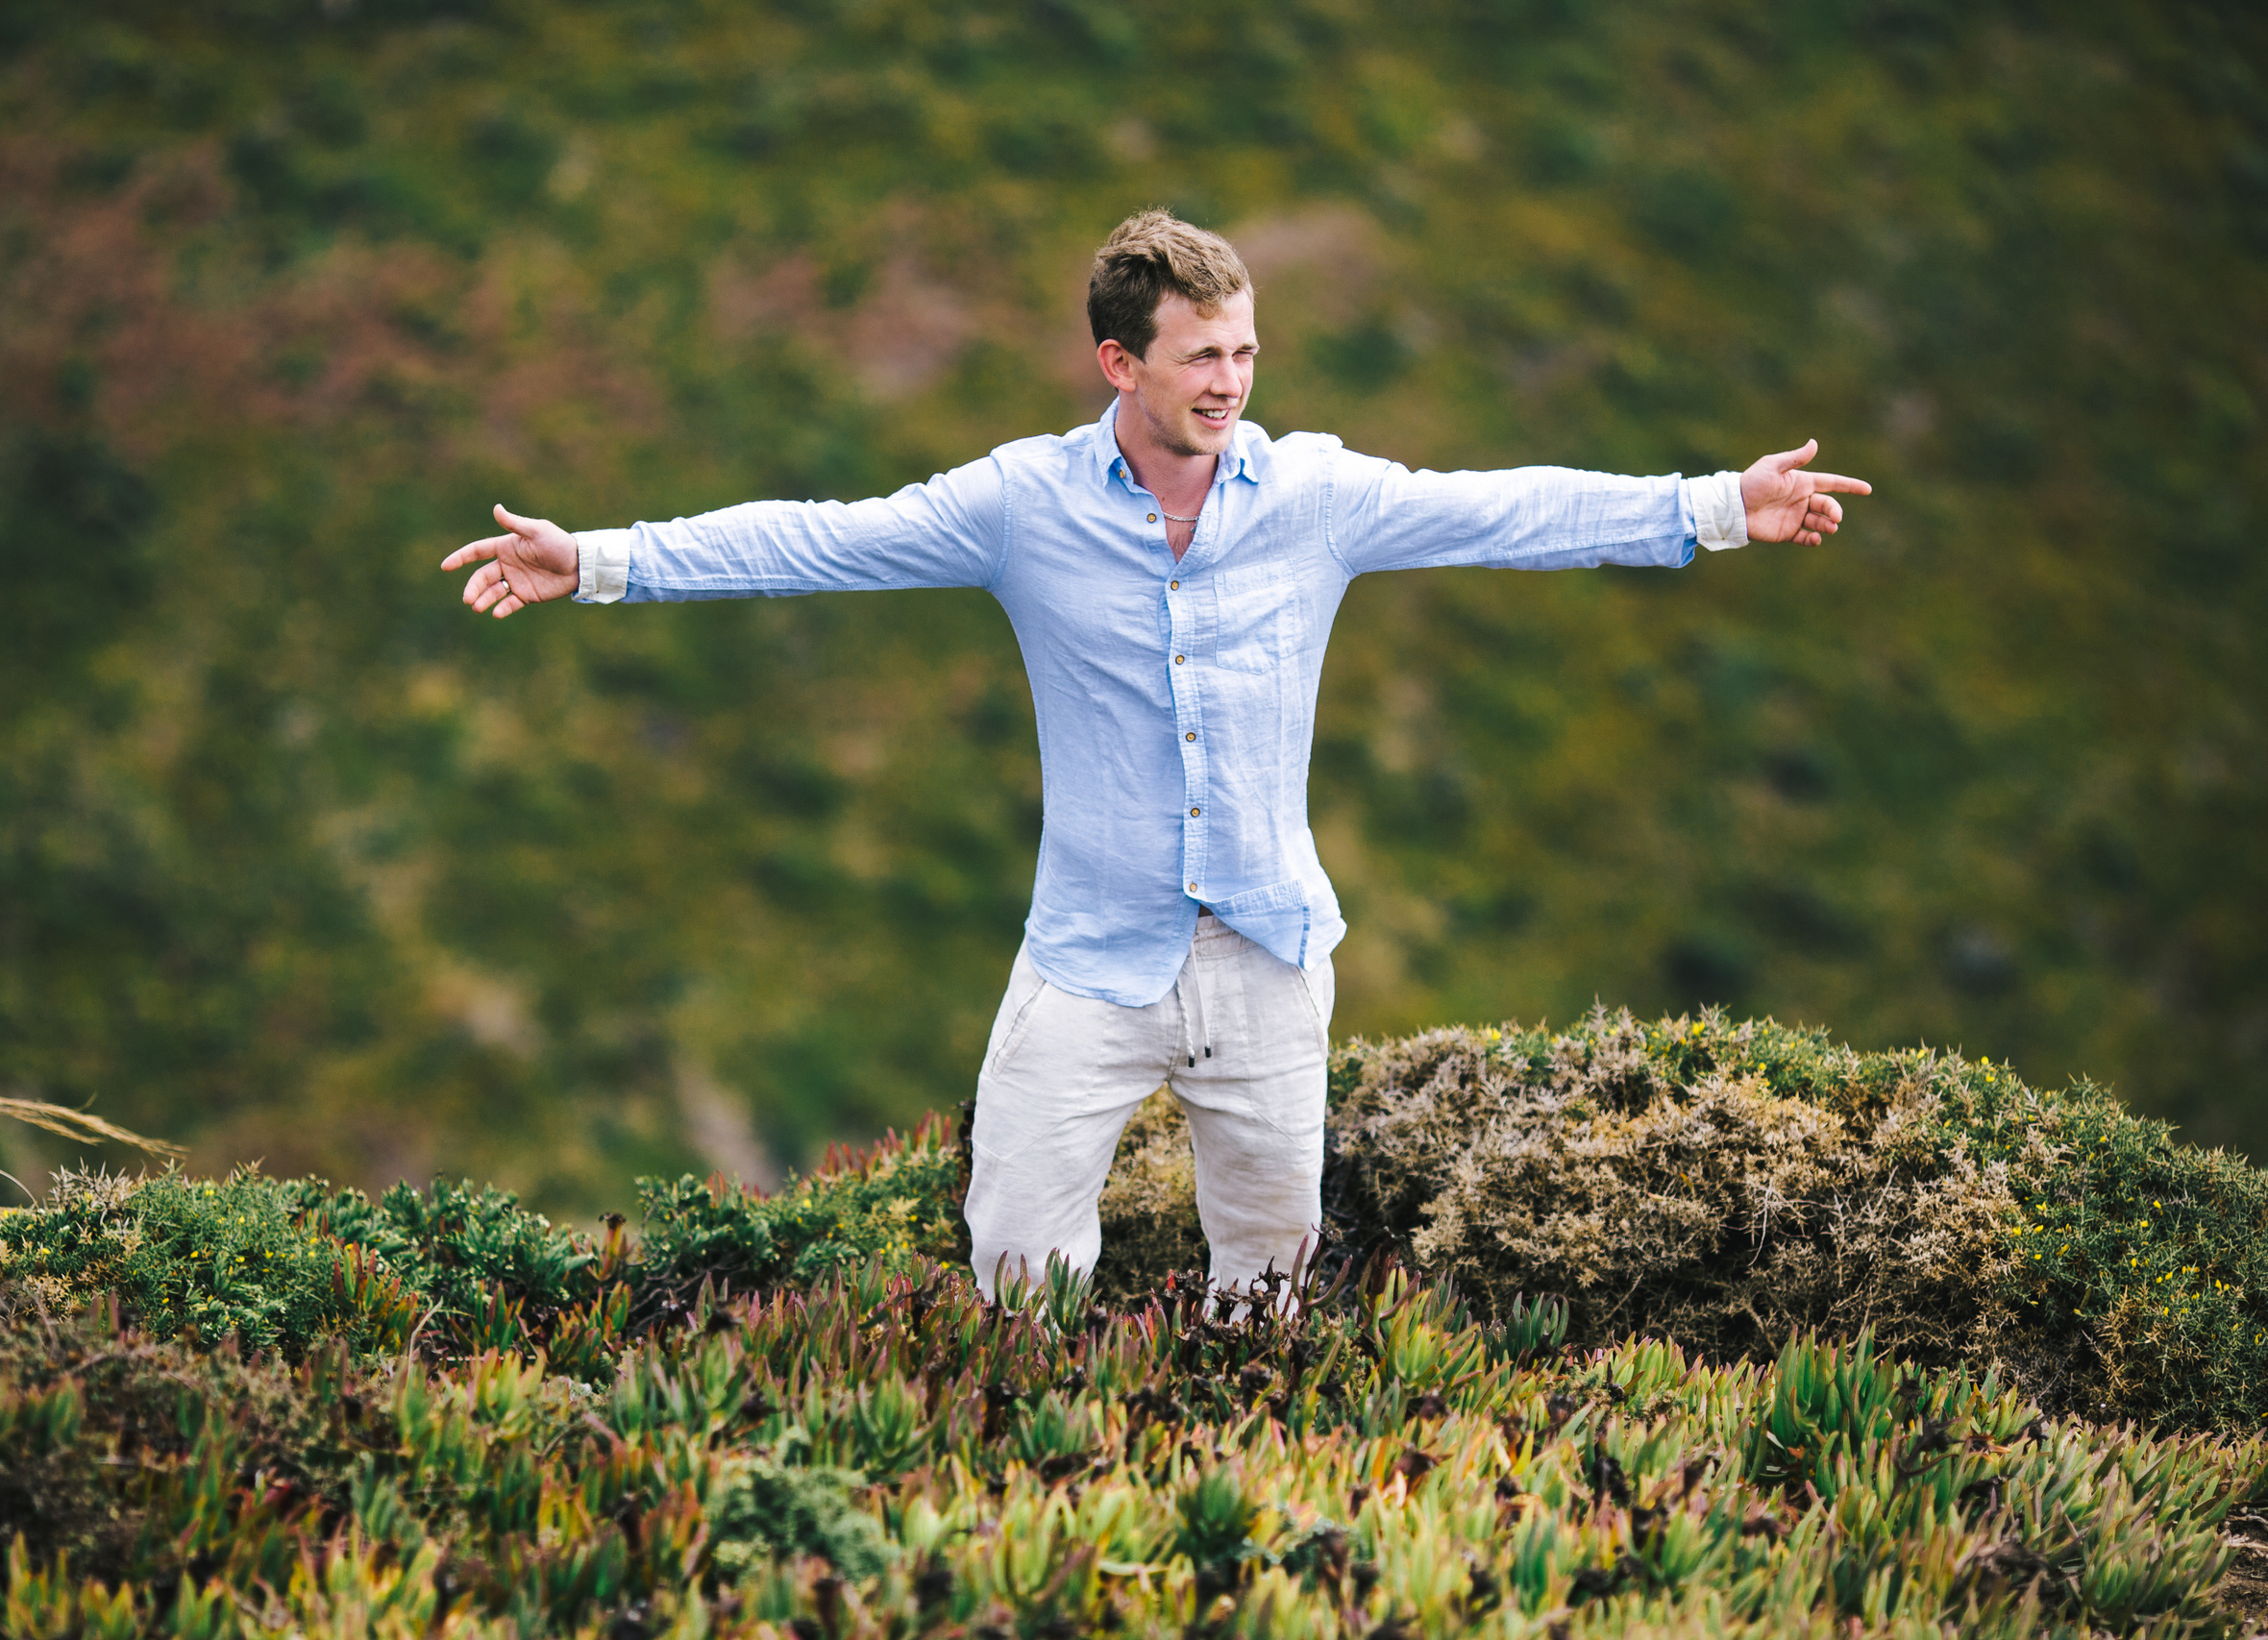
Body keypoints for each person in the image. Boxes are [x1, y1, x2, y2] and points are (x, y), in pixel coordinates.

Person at [441, 209, 1869, 1303]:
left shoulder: (1315, 493)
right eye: (1202, 356)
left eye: (1246, 351)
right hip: (1090, 955)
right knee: (1015, 1261)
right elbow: (822, 536)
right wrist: (605, 562)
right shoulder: (1016, 504)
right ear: (1118, 362)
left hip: (1267, 952)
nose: (1232, 381)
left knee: (1271, 1268)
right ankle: (1033, 1496)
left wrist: (1717, 507)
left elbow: (1506, 510)